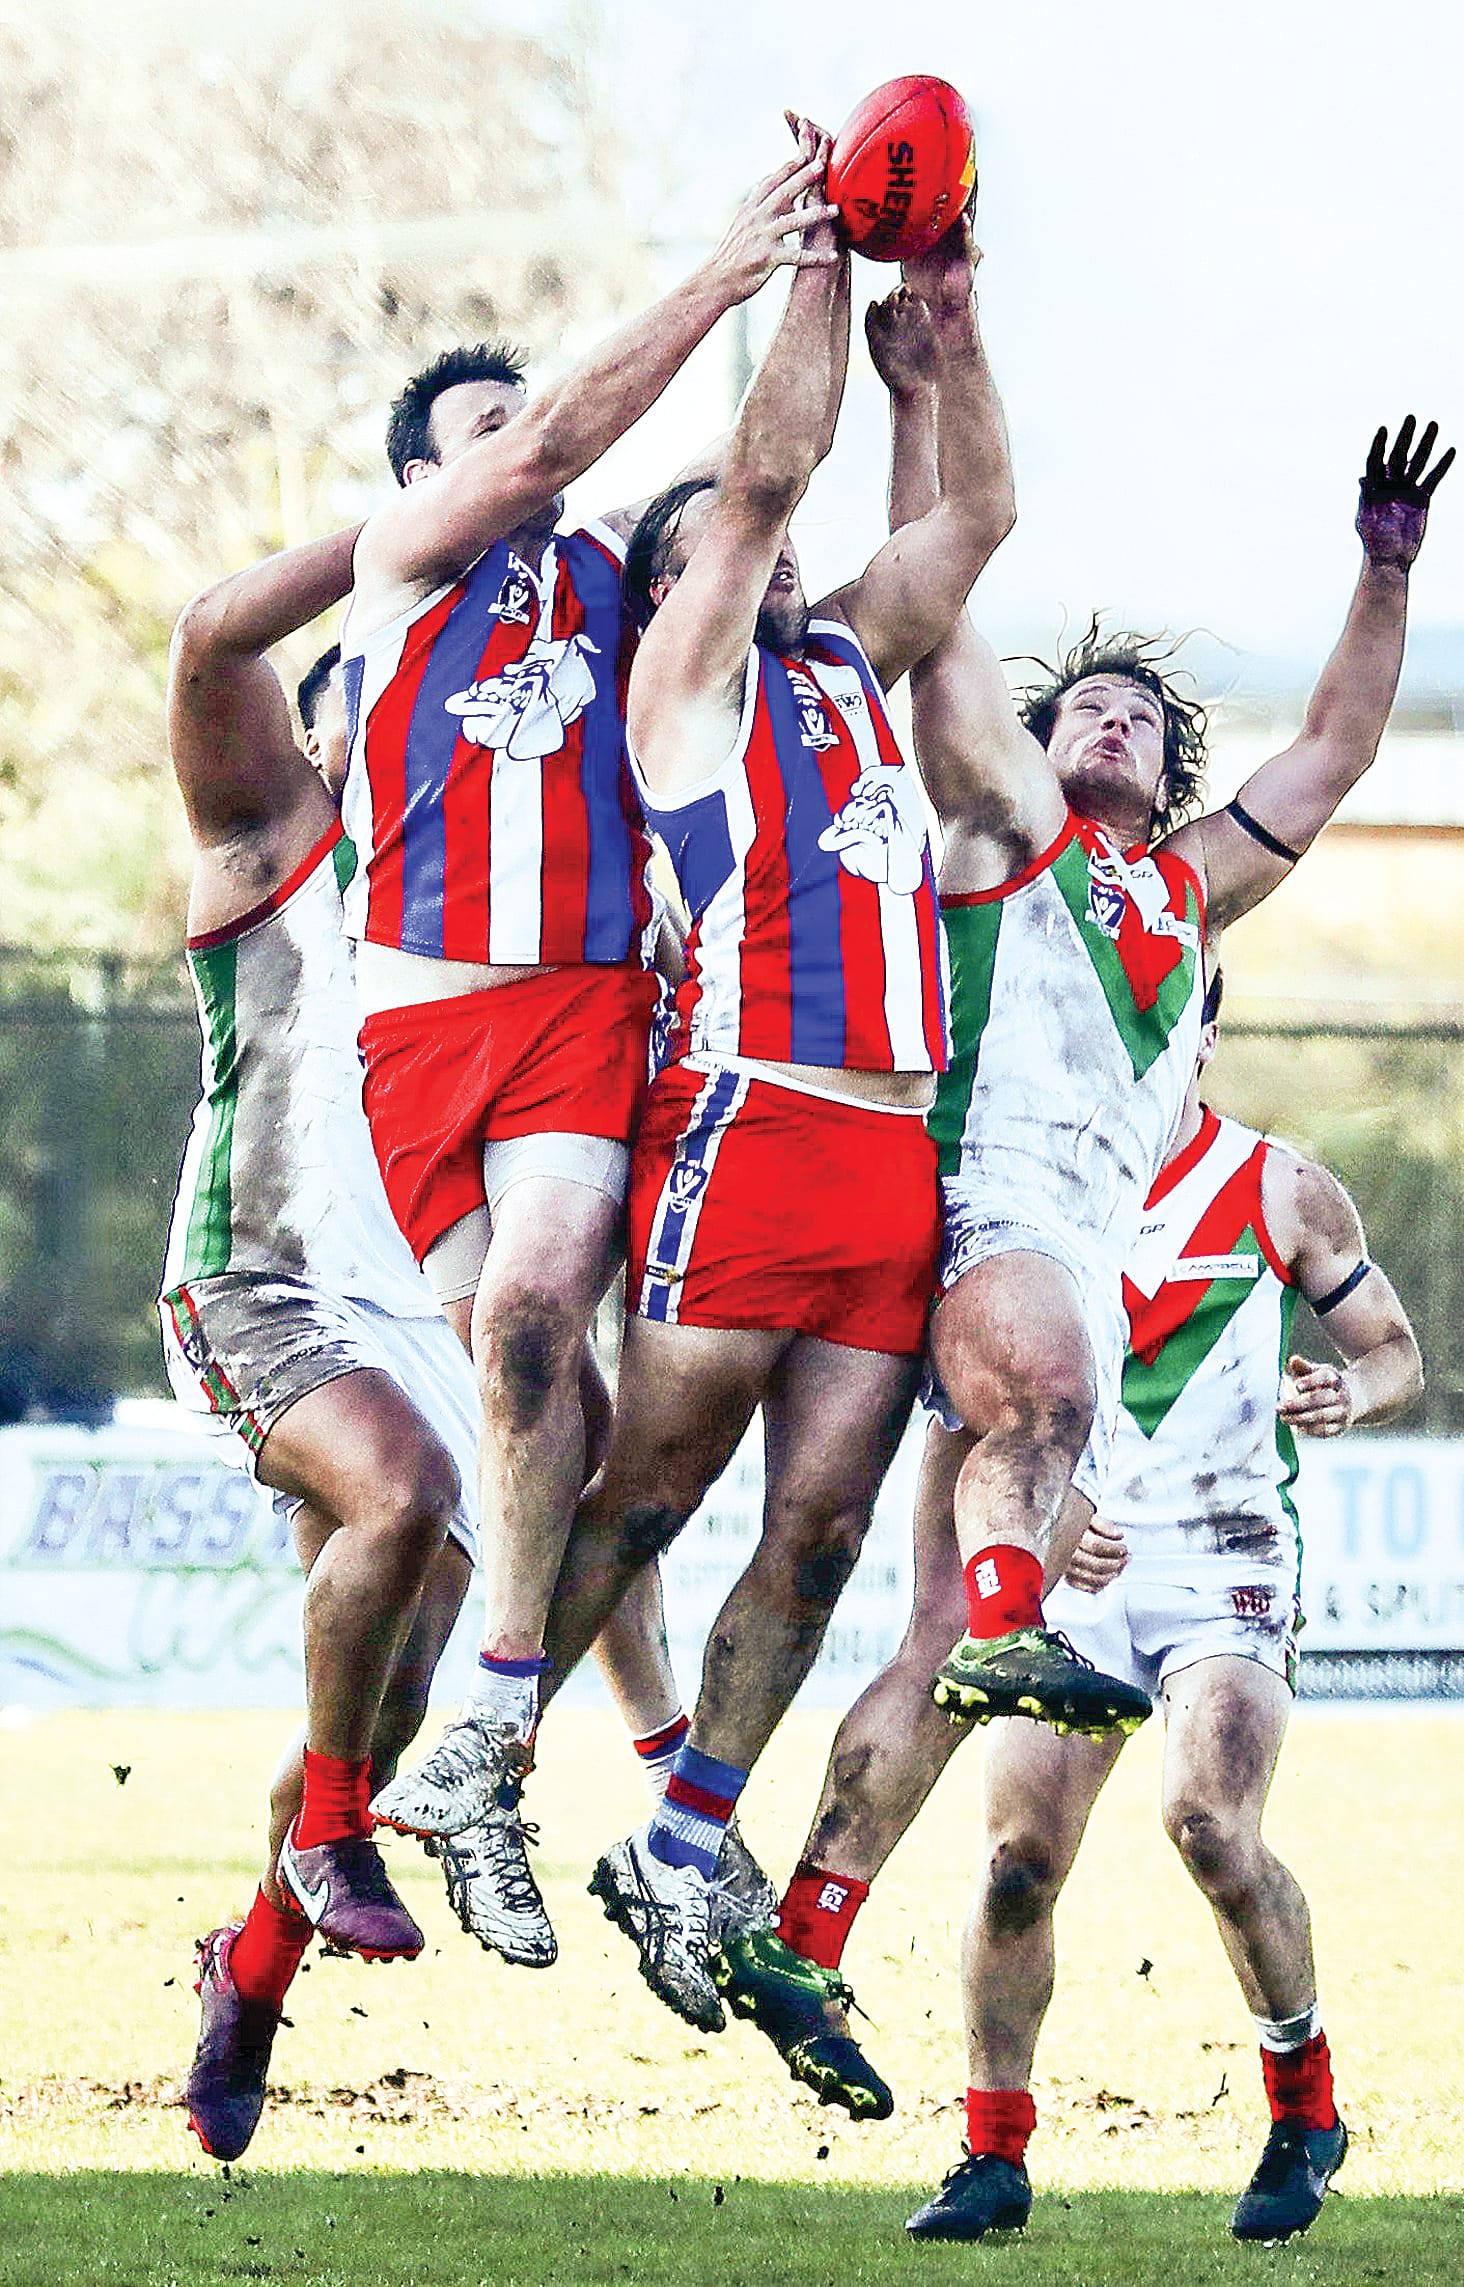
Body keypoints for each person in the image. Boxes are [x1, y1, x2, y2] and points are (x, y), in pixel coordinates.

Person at [718, 383, 1452, 2116]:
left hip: (1018, 1258)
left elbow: (1333, 752)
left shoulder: (1179, 895)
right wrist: (923, 389)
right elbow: (939, 611)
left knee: (924, 1648)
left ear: (1165, 772)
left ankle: (802, 1924)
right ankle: (955, 1642)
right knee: (1023, 1475)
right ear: (1039, 747)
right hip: (977, 1214)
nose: (1109, 720)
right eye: (1086, 705)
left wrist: (1380, 569)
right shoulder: (993, 829)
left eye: (1137, 714)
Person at [522, 132, 1015, 2037]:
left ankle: (678, 1839)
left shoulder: (842, 669)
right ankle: (485, 1739)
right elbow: (760, 475)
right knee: (648, 1495)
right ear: (670, 595)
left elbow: (970, 516)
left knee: (810, 1532)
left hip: (889, 1158)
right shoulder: (688, 689)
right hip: (754, 1115)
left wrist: (951, 329)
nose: (776, 551)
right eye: (723, 552)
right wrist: (815, 261)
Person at [344, 149, 838, 1920]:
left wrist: (831, 295)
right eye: (477, 430)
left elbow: (752, 499)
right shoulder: (400, 564)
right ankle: (504, 1758)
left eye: (518, 424)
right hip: (413, 1029)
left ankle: (484, 1727)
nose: (518, 447)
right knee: (545, 1409)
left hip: (576, 1013)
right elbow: (552, 441)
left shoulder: (626, 594)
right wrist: (721, 266)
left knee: (538, 1320)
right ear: (421, 474)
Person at [905, 979, 1424, 2243]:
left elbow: (1397, 1349)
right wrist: (1034, 1528)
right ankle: (991, 2154)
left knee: (1211, 1827)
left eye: (1154, 1018)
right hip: (1073, 1576)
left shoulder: (1279, 1185)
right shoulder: (1007, 1194)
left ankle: (1305, 2109)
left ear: (1196, 1033)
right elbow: (956, 1397)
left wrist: (1353, 1393)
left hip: (1227, 1555)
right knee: (1017, 1864)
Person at [294, 648, 731, 1965]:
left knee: (580, 1456)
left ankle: (619, 1782)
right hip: (342, 1311)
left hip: (472, 1281)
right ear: (322, 749)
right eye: (356, 719)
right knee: (368, 1707)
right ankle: (261, 1965)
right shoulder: (300, 866)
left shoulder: (531, 880)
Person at [160, 532, 483, 2161]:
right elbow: (212, 632)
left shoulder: (491, 888)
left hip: (428, 1319)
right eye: (386, 682)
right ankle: (342, 1842)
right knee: (402, 1491)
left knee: (388, 1692)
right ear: (325, 719)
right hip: (258, 1279)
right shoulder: (272, 828)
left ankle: (255, 1966)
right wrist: (415, 518)